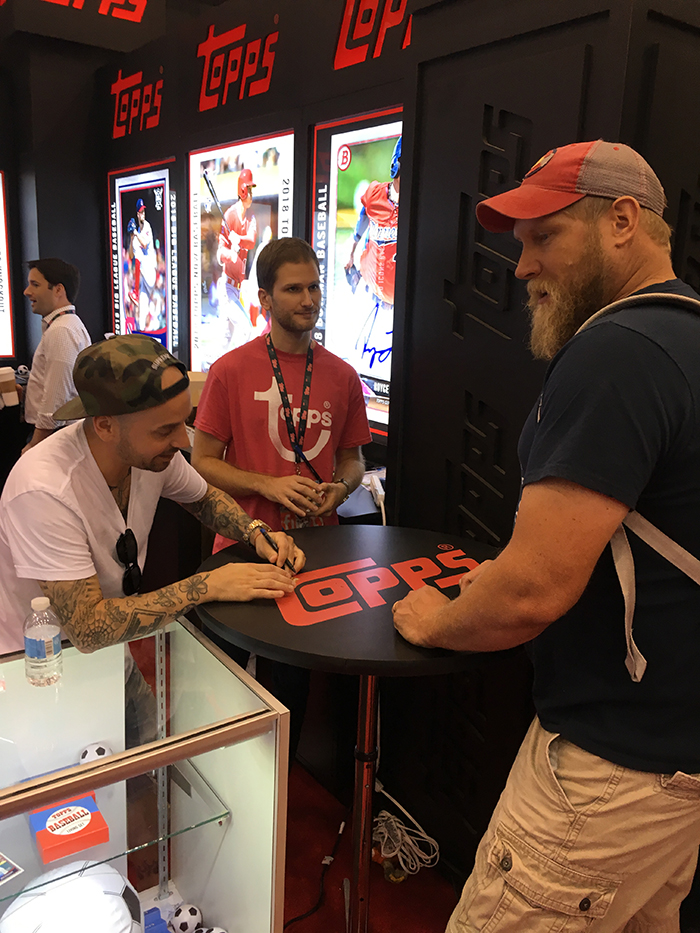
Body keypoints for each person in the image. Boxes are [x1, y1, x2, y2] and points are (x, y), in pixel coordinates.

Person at [393, 140, 700, 932]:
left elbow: (531, 588)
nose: (521, 266)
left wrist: (437, 618)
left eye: (544, 237)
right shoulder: (685, 339)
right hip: (673, 773)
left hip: (606, 774)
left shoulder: (618, 352)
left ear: (623, 222)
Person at [0, 333, 304, 660]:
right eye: (164, 430)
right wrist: (208, 586)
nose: (181, 441)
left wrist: (255, 532)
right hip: (38, 668)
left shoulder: (149, 456)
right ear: (105, 426)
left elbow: (203, 499)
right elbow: (88, 627)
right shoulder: (44, 489)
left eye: (183, 423)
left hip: (113, 652)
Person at [192, 236, 372, 759]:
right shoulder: (230, 370)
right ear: (265, 300)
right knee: (219, 685)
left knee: (288, 694)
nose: (308, 299)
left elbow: (352, 460)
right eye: (293, 289)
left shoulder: (341, 375)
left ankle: (277, 799)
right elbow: (202, 461)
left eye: (314, 286)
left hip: (315, 558)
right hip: (242, 552)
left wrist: (339, 489)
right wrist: (266, 484)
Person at [344, 136, 400, 378]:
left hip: (395, 303)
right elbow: (365, 215)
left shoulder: (418, 205)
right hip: (369, 291)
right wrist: (352, 247)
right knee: (354, 356)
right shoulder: (376, 193)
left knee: (385, 371)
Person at [22, 258, 91, 455]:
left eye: (35, 284)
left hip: (54, 437)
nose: (27, 292)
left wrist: (34, 446)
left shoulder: (61, 330)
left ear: (58, 290)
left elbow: (55, 401)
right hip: (57, 435)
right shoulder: (67, 325)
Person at [216, 168, 258, 352]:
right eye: (248, 189)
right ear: (242, 190)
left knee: (225, 340)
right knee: (246, 328)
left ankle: (210, 368)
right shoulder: (230, 215)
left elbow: (251, 241)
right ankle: (237, 372)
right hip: (226, 287)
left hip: (237, 288)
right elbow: (219, 254)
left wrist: (238, 239)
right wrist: (230, 254)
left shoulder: (251, 217)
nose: (251, 193)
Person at [128, 198, 157, 331]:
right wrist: (131, 237)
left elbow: (144, 243)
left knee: (141, 257)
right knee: (142, 308)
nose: (143, 214)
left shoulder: (147, 226)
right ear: (137, 214)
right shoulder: (136, 233)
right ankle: (141, 331)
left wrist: (135, 233)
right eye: (140, 212)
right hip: (143, 276)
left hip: (150, 270)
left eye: (144, 211)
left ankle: (134, 291)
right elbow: (130, 255)